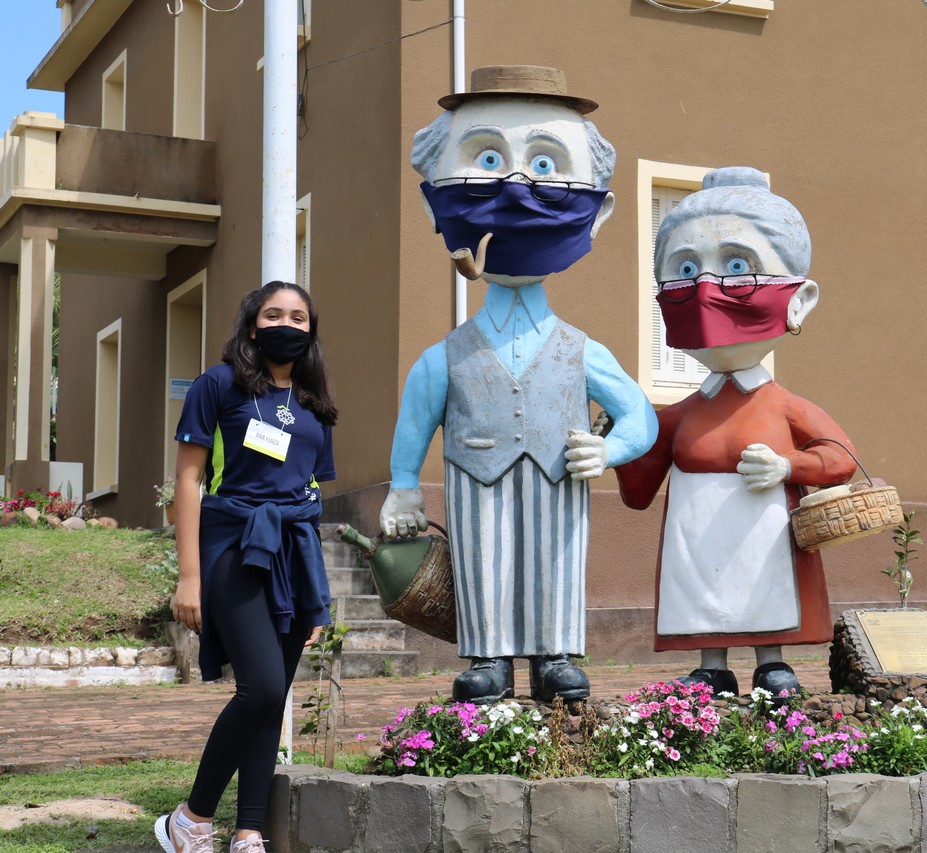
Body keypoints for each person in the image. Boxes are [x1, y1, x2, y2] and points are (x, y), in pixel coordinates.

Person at [381, 66, 657, 705]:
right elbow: (416, 417)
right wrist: (402, 485)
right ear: (434, 202)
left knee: (556, 559)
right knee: (482, 560)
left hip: (559, 478)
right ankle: (489, 658)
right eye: (487, 159)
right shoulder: (444, 357)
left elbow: (640, 416)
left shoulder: (582, 350)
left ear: (596, 211)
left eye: (544, 164)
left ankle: (555, 654)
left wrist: (609, 450)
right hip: (474, 476)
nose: (516, 185)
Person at [616, 167, 857, 698]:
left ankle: (771, 661)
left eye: (737, 267)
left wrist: (788, 466)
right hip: (693, 544)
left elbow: (841, 458)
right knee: (702, 596)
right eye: (684, 269)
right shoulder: (677, 416)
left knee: (768, 588)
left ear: (798, 299)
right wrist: (617, 441)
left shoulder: (785, 406)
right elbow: (638, 491)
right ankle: (712, 666)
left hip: (766, 536)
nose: (706, 289)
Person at [156, 281, 338, 853]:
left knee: (273, 697)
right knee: (259, 689)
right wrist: (189, 576)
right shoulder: (218, 384)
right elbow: (188, 478)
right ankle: (190, 819)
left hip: (293, 552)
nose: (287, 324)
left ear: (311, 330)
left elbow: (308, 494)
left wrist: (315, 592)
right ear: (253, 326)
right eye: (274, 314)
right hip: (233, 543)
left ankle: (249, 832)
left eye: (299, 317)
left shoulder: (314, 403)